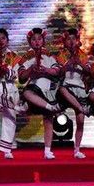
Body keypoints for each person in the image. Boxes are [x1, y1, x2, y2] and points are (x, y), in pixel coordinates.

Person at [18, 28, 62, 160]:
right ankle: (50, 107)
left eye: (39, 39)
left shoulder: (49, 55)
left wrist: (46, 70)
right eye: (33, 39)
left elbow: (57, 71)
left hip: (47, 88)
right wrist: (31, 70)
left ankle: (47, 151)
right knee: (27, 93)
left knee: (48, 119)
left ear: (43, 41)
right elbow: (21, 78)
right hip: (34, 87)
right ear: (30, 42)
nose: (37, 42)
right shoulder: (26, 57)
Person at [0, 28, 26, 159]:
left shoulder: (14, 56)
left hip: (10, 87)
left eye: (3, 38)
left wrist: (7, 72)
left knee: (10, 115)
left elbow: (18, 74)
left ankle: (7, 149)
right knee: (9, 106)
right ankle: (15, 107)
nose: (1, 41)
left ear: (7, 40)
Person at [55, 28, 91, 159]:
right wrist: (68, 63)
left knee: (80, 121)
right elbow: (58, 72)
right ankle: (81, 108)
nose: (71, 41)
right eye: (68, 39)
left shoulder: (82, 55)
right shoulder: (61, 54)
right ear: (64, 41)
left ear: (77, 41)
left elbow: (89, 72)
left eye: (73, 39)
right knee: (62, 90)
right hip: (66, 85)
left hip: (79, 87)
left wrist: (79, 62)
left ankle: (77, 150)